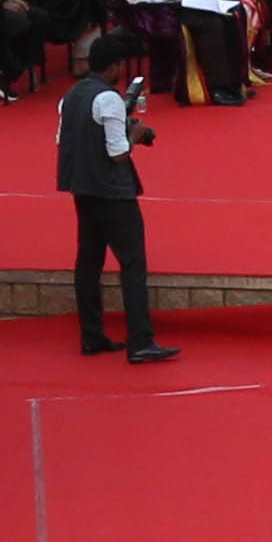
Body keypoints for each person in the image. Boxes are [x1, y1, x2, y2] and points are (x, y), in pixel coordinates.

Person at [57, 27, 178, 364]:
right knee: (132, 263)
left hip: (83, 188)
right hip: (112, 191)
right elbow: (118, 152)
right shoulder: (108, 97)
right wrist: (135, 134)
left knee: (89, 261)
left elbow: (64, 140)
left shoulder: (70, 96)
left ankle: (91, 335)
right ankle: (140, 341)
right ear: (112, 67)